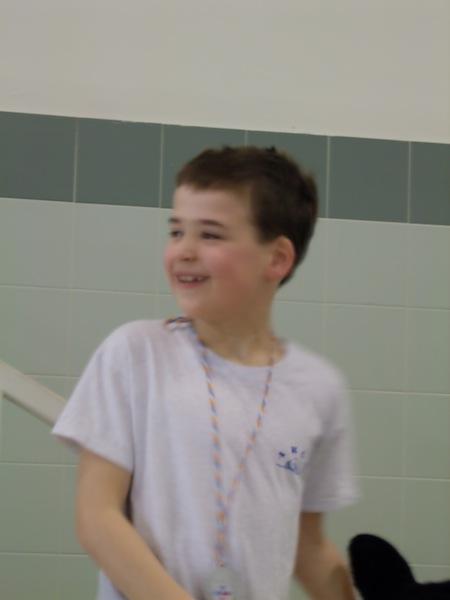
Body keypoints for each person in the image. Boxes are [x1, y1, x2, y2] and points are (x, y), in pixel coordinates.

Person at [52, 146, 359, 600]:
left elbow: (308, 546)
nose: (184, 251)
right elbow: (97, 518)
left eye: (210, 235)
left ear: (277, 258)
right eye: (176, 231)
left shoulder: (319, 388)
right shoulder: (136, 353)